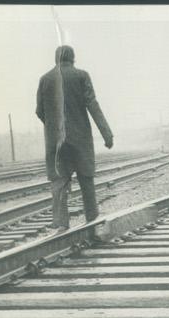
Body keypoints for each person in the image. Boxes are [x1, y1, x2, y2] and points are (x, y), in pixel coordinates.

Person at [36, 45, 114, 230]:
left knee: (59, 182)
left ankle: (61, 224)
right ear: (73, 59)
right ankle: (92, 221)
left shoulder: (45, 79)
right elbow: (92, 105)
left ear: (56, 59)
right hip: (80, 140)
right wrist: (107, 133)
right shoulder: (81, 76)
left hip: (56, 143)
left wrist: (54, 126)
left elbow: (39, 111)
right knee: (86, 180)